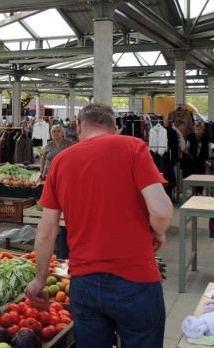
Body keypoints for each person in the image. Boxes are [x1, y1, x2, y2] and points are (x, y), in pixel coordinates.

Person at [25, 103, 173, 348]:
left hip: (85, 283)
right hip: (136, 279)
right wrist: (157, 231)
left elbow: (46, 231)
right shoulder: (133, 147)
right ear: (114, 128)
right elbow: (161, 211)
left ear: (79, 126)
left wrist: (40, 279)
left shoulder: (61, 161)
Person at [186, 121, 212, 195]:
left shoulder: (207, 137)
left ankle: (200, 191)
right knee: (193, 175)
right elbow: (187, 147)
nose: (197, 131)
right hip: (193, 158)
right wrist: (188, 156)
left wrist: (209, 158)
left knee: (201, 175)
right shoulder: (190, 137)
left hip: (202, 158)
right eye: (196, 129)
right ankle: (194, 191)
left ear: (202, 130)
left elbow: (209, 148)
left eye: (199, 129)